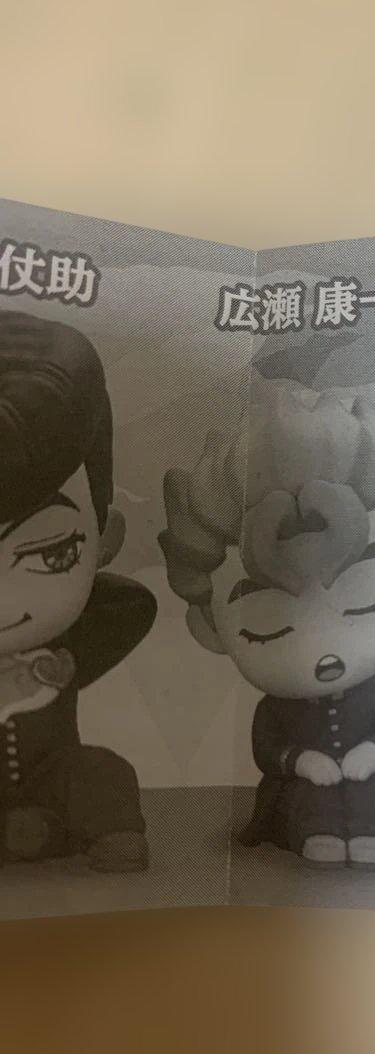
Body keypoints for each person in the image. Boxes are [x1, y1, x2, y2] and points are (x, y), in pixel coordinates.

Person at [160, 379, 375, 868]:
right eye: (270, 628)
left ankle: (371, 832)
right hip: (301, 793)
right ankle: (318, 832)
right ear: (209, 625)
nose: (322, 648)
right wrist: (300, 761)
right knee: (304, 805)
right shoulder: (276, 709)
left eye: (366, 603)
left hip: (372, 784)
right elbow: (268, 749)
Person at [0, 311, 156, 872]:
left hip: (52, 772)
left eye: (51, 553)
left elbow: (122, 617)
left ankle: (42, 830)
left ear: (104, 542)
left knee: (102, 773)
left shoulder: (83, 632)